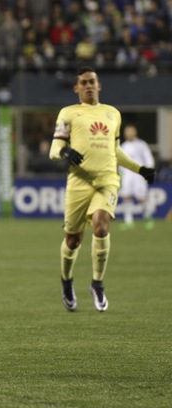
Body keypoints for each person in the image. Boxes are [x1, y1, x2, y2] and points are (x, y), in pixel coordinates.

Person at [49, 67, 156, 313]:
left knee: (101, 225)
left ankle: (97, 283)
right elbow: (55, 148)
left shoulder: (112, 114)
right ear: (76, 88)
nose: (88, 86)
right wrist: (64, 151)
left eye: (92, 82)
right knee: (73, 240)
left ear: (99, 85)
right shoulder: (68, 113)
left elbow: (114, 150)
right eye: (83, 82)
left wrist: (140, 169)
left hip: (107, 179)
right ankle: (66, 281)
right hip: (79, 182)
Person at [118, 125, 155, 230]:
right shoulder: (123, 146)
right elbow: (121, 161)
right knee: (126, 197)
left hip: (139, 174)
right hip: (127, 175)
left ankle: (147, 218)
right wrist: (120, 173)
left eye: (131, 132)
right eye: (127, 132)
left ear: (135, 133)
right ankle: (128, 221)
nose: (129, 134)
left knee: (141, 198)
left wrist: (149, 171)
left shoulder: (141, 144)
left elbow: (148, 158)